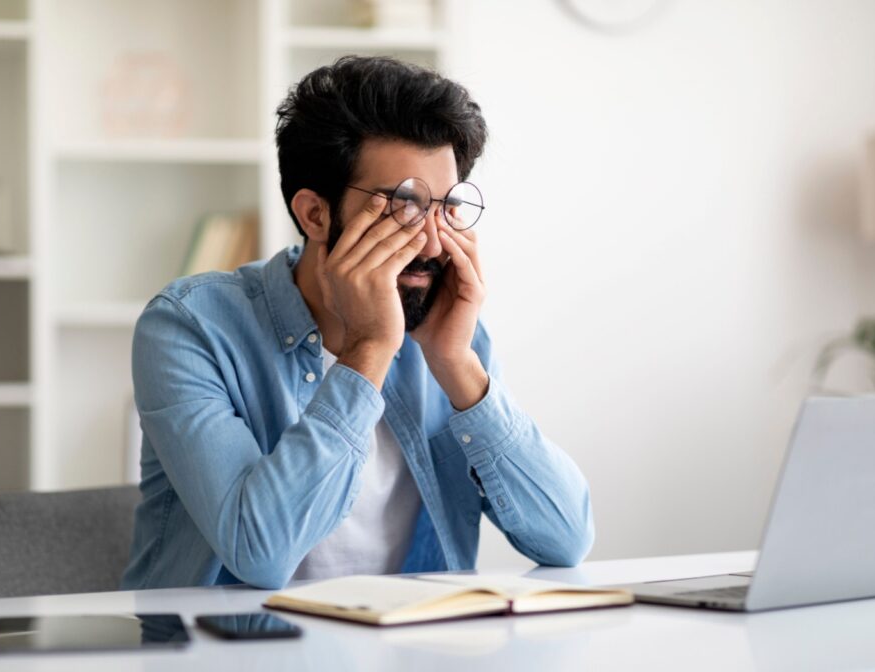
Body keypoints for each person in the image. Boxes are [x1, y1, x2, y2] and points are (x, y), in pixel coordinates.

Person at [121, 56, 594, 590]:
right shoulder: (191, 329)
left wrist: (457, 363)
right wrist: (369, 351)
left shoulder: (449, 333)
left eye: (446, 206)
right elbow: (259, 551)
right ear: (315, 215)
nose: (436, 242)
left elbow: (567, 540)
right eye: (403, 207)